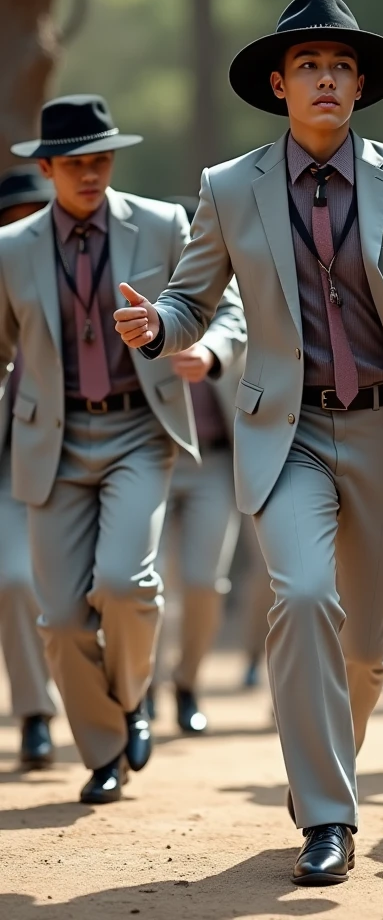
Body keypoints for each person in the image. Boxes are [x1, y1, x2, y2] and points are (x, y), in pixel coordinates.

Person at [115, 0, 383, 884]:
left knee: (368, 648)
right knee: (299, 597)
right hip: (280, 432)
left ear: (359, 86)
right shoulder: (228, 186)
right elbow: (191, 299)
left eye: (340, 67)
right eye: (308, 67)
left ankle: (323, 765)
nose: (325, 80)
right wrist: (159, 331)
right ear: (278, 85)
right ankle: (327, 814)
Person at [1, 94, 244, 804]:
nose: (91, 173)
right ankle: (105, 748)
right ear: (47, 167)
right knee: (61, 617)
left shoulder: (166, 224)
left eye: (102, 159)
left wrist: (210, 350)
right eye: (76, 163)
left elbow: (223, 305)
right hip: (52, 441)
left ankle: (133, 696)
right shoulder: (11, 251)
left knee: (126, 584)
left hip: (141, 430)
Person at [149, 196, 242, 734]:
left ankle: (187, 681)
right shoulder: (136, 299)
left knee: (207, 583)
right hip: (152, 455)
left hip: (215, 463)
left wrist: (210, 351)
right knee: (149, 581)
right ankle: (140, 690)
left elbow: (243, 333)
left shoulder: (226, 298)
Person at [0, 167, 57, 769]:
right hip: (11, 465)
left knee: (110, 588)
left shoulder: (90, 273)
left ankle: (123, 703)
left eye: (30, 218)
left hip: (82, 455)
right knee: (15, 581)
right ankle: (35, 712)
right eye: (8, 221)